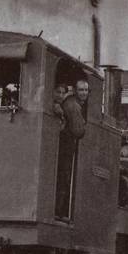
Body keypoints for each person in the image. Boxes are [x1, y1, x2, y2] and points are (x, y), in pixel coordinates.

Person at [55, 79, 89, 218]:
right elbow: (78, 131)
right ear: (75, 91)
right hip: (66, 147)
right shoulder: (73, 105)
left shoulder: (72, 103)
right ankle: (59, 211)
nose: (84, 93)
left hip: (66, 146)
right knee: (64, 177)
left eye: (86, 90)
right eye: (81, 90)